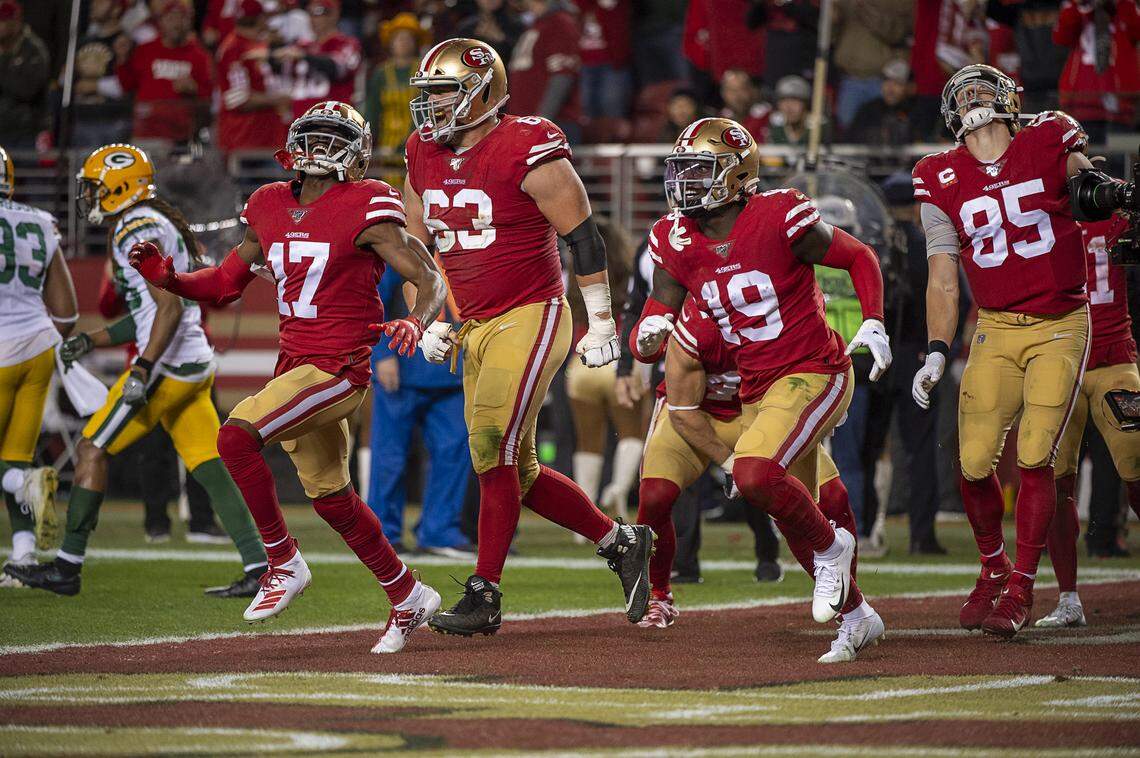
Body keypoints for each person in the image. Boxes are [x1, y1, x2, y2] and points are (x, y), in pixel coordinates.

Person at [128, 101, 446, 654]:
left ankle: (282, 560)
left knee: (235, 434)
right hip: (296, 366)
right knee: (333, 498)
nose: (321, 149)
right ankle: (409, 594)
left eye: (333, 138)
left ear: (356, 151)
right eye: (313, 137)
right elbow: (225, 283)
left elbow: (427, 275)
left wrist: (416, 320)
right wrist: (172, 280)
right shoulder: (269, 203)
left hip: (339, 367)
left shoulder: (370, 201)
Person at [404, 38, 653, 635]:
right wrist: (425, 317)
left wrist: (600, 322)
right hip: (472, 323)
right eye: (429, 94)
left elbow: (585, 240)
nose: (433, 106)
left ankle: (485, 592)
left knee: (492, 446)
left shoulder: (527, 144)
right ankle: (620, 542)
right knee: (517, 472)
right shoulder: (420, 150)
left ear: (483, 93)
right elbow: (416, 253)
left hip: (532, 311)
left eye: (445, 91)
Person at [629, 116, 891, 630]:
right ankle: (857, 615)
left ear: (735, 174)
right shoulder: (674, 239)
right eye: (682, 171)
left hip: (811, 369)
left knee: (766, 480)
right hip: (753, 390)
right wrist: (645, 336)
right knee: (785, 503)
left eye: (700, 172)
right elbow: (657, 316)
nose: (686, 183)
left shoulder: (778, 215)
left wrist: (875, 321)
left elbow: (859, 256)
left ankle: (834, 549)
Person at [910, 64, 1137, 638]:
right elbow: (942, 273)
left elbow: (1087, 192)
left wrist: (1112, 194)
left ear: (1010, 101)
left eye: (985, 91)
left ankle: (1022, 588)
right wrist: (937, 349)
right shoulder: (937, 174)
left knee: (1037, 454)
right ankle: (993, 568)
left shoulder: (1048, 137)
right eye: (964, 95)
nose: (974, 101)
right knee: (972, 459)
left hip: (1061, 322)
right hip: (994, 326)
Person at [5, 143, 269, 599]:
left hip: (166, 365)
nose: (88, 197)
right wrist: (93, 339)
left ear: (117, 186)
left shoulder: (134, 229)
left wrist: (144, 367)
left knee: (91, 449)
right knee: (207, 463)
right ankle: (261, 565)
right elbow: (153, 311)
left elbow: (166, 308)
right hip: (192, 360)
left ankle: (66, 567)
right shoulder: (156, 220)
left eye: (94, 188)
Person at [641, 296, 883, 662]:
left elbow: (817, 360)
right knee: (654, 495)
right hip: (696, 417)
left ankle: (852, 606)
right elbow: (682, 411)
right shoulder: (696, 326)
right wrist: (728, 461)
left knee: (830, 497)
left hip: (760, 413)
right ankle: (659, 595)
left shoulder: (781, 307)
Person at [1041, 213, 1140, 628]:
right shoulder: (1039, 211)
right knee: (1053, 481)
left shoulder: (1118, 212)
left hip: (1113, 357)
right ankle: (1068, 599)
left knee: (1135, 470)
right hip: (1060, 361)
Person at [0, 147, 74, 587]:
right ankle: (25, 554)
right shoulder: (40, 221)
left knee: (15, 469)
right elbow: (65, 311)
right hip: (38, 349)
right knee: (17, 455)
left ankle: (22, 483)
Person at [369, 264, 473, 557]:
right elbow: (371, 297)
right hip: (403, 366)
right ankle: (382, 535)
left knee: (453, 453)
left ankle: (439, 532)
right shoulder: (400, 245)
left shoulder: (463, 243)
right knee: (389, 457)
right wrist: (381, 352)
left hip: (452, 371)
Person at [565, 217, 641, 518]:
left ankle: (585, 515)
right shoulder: (630, 275)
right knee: (632, 432)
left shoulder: (576, 276)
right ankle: (618, 490)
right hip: (618, 362)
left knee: (587, 443)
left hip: (581, 365)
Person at [116, 0, 213, 145]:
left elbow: (209, 99)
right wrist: (122, 60)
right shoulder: (145, 50)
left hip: (181, 136)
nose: (176, 24)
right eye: (170, 18)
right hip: (146, 133)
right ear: (160, 22)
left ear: (190, 22)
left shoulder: (200, 56)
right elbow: (127, 86)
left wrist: (194, 89)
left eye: (182, 18)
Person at [215, 0, 290, 155]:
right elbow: (236, 99)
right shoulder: (233, 49)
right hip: (244, 140)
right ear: (260, 18)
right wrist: (280, 99)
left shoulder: (258, 44)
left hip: (268, 138)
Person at [508, 1, 582, 143]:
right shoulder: (536, 24)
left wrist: (543, 120)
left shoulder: (560, 22)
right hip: (527, 124)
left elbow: (562, 75)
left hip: (552, 126)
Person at [281, 0, 361, 120]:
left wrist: (304, 56)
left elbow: (338, 68)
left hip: (332, 122)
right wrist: (269, 56)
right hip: (300, 121)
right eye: (310, 12)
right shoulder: (302, 45)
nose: (313, 18)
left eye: (319, 12)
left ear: (335, 14)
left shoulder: (346, 43)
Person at [363, 13, 428, 154]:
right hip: (386, 146)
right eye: (399, 38)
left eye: (408, 38)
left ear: (416, 42)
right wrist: (366, 143)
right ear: (390, 42)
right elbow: (372, 111)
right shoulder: (381, 73)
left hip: (418, 142)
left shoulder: (423, 71)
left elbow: (424, 112)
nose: (403, 42)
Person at [0, 0, 49, 148]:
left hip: (24, 130)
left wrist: (3, 61)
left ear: (15, 22)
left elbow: (26, 90)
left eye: (1, 21)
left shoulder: (33, 50)